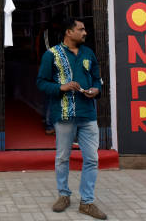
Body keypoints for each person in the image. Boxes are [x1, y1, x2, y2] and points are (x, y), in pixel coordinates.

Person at [36, 18, 107, 220]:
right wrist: (61, 87)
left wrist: (96, 90)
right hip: (64, 114)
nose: (85, 33)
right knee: (62, 158)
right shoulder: (51, 55)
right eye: (81, 29)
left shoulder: (88, 53)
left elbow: (97, 79)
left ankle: (87, 202)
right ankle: (63, 195)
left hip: (88, 114)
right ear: (69, 32)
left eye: (84, 29)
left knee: (92, 159)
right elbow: (41, 82)